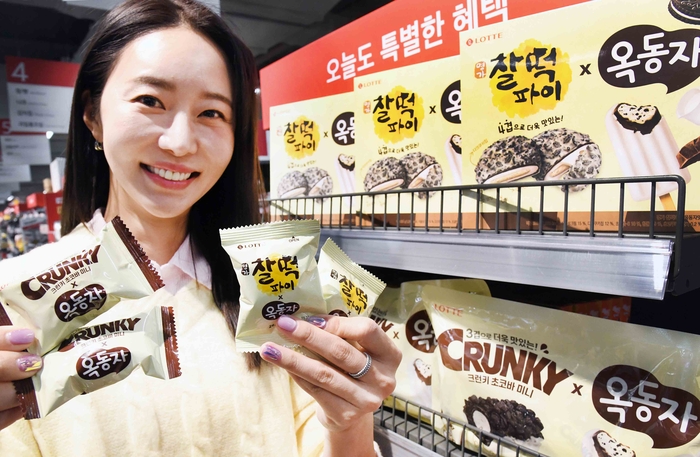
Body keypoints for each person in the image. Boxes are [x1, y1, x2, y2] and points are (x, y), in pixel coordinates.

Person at [0, 0, 401, 455]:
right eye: (150, 101)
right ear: (93, 115)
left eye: (211, 113)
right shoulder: (18, 299)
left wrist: (350, 418)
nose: (180, 143)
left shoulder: (274, 286)